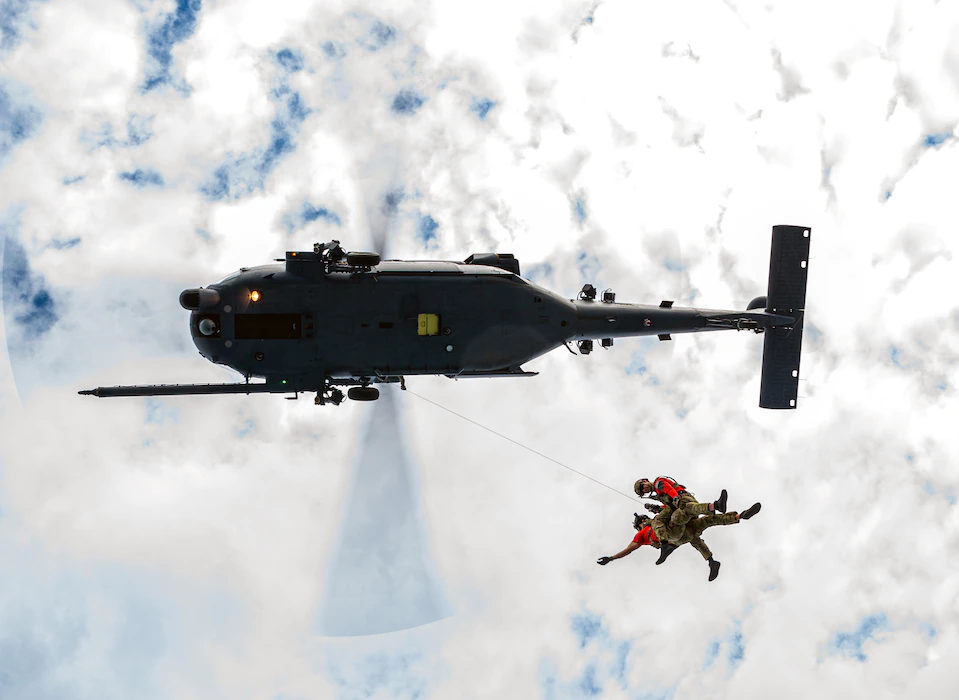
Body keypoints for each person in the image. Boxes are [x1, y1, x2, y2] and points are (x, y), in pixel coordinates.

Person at [596, 502, 761, 581]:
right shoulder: (642, 534)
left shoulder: (656, 519)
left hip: (684, 533)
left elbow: (668, 509)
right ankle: (668, 547)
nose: (644, 521)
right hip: (673, 536)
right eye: (642, 521)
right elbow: (629, 550)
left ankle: (739, 517)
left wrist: (656, 507)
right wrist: (611, 558)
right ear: (639, 527)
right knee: (692, 536)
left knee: (705, 522)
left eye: (644, 518)